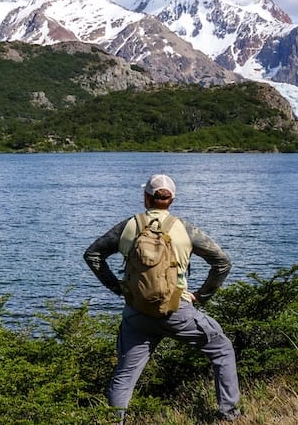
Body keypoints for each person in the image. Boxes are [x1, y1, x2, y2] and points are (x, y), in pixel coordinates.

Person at [83, 173, 241, 422]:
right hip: (178, 311)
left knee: (125, 375)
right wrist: (202, 295)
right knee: (222, 350)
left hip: (137, 314)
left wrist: (120, 288)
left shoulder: (128, 226)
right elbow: (222, 263)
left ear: (146, 197)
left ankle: (114, 420)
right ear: (172, 199)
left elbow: (92, 255)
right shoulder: (184, 229)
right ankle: (229, 415)